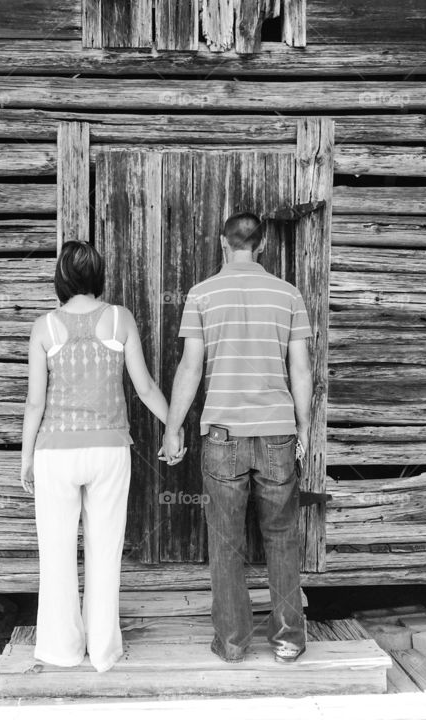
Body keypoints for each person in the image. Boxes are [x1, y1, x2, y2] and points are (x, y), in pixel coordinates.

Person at [161, 212, 313, 664]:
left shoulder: (201, 295)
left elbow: (190, 368)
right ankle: (288, 640)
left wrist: (172, 430)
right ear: (261, 244)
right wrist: (303, 426)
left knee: (226, 540)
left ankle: (232, 642)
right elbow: (301, 369)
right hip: (277, 434)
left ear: (222, 243)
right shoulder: (288, 295)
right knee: (283, 536)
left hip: (222, 435)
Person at [20, 241, 178, 673]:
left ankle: (61, 650)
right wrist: (174, 426)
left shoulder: (44, 327)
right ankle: (104, 652)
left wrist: (26, 456)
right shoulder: (119, 318)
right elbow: (144, 388)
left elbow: (35, 404)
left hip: (56, 450)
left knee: (55, 553)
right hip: (110, 450)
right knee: (105, 552)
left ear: (61, 279)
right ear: (97, 276)